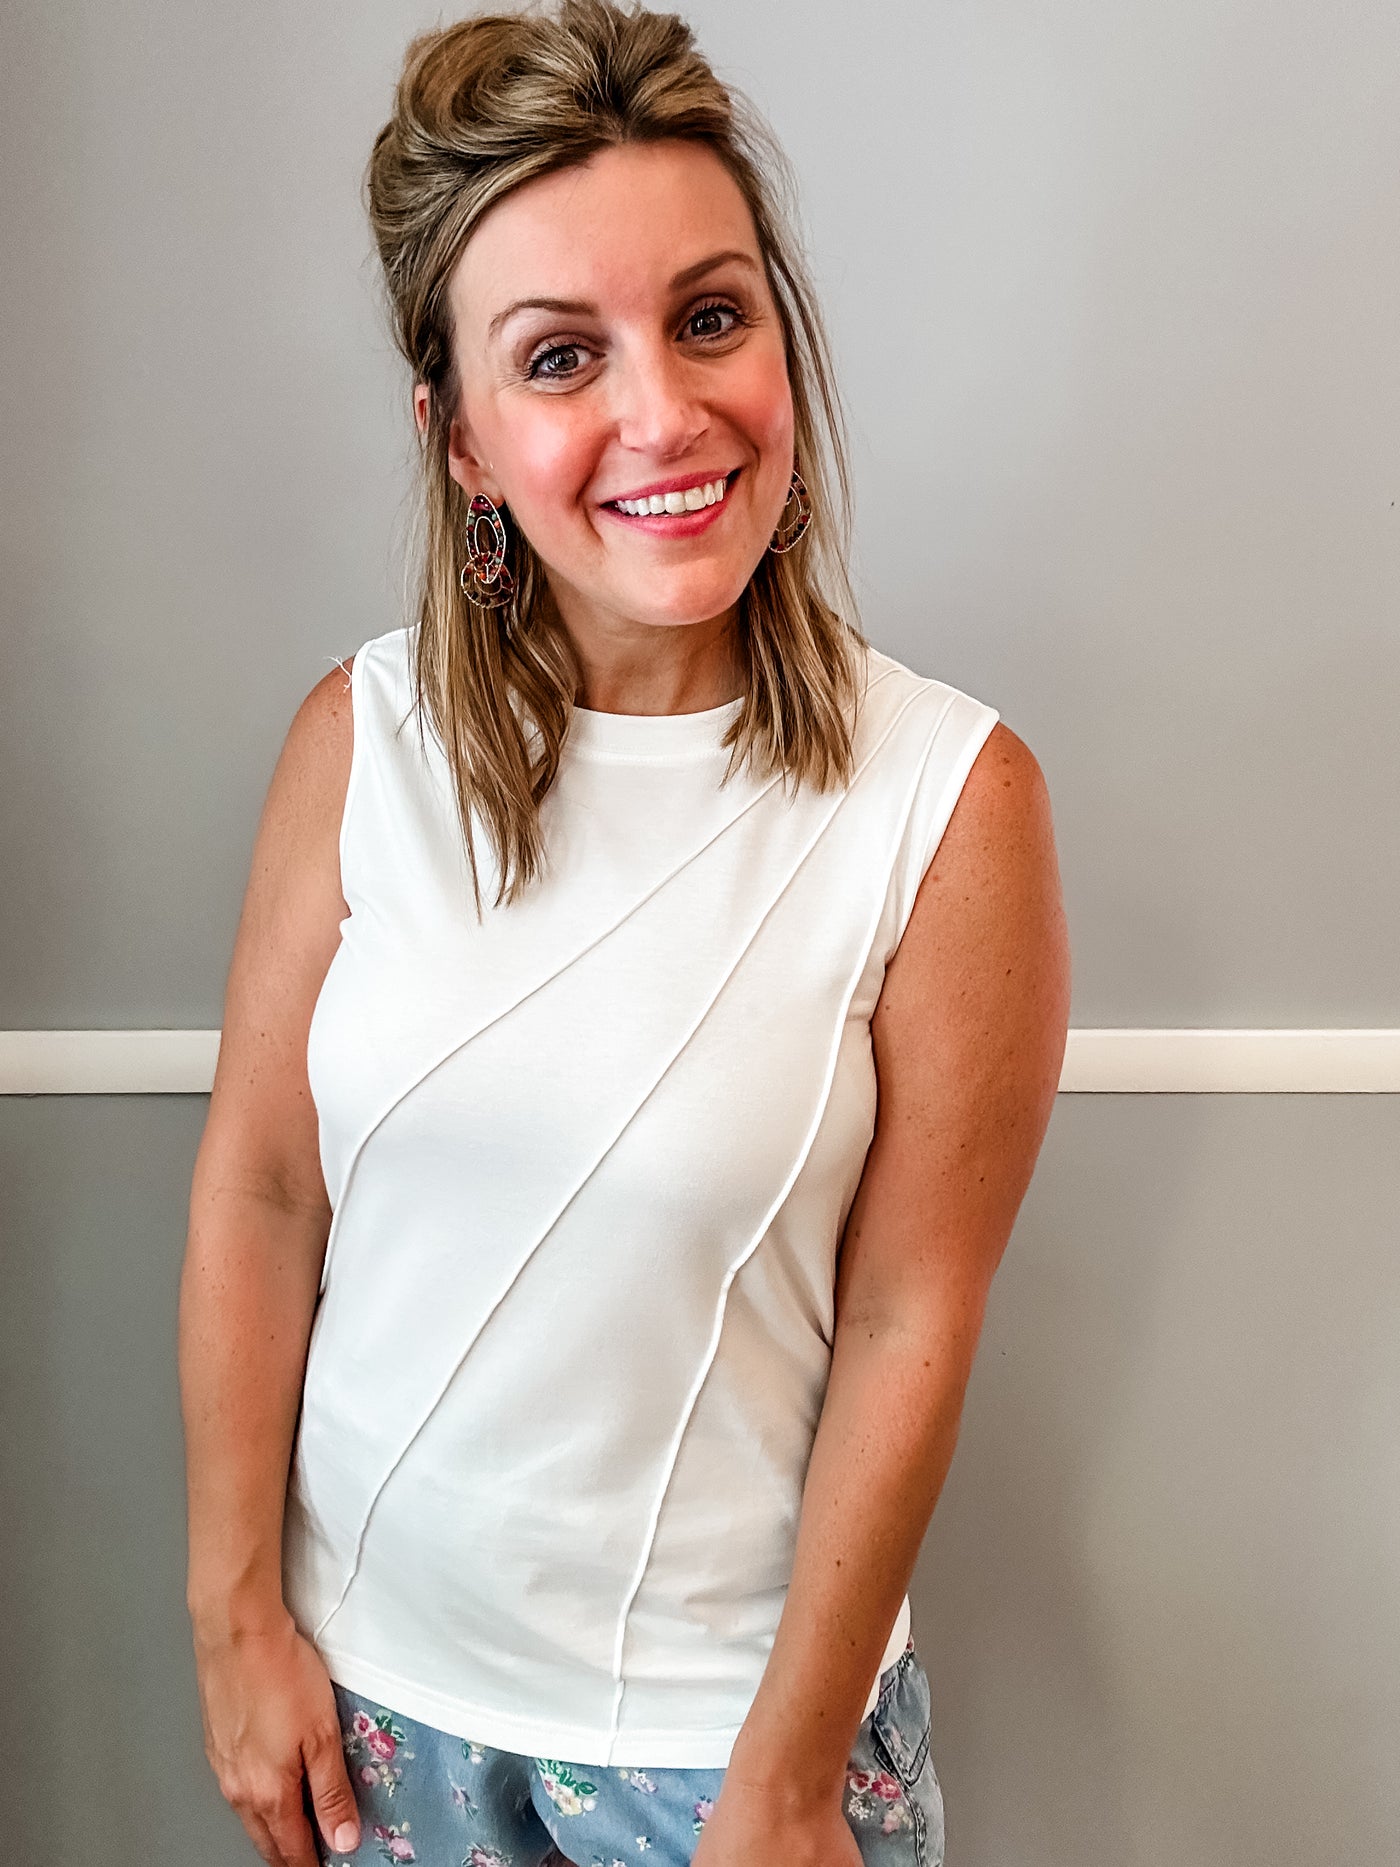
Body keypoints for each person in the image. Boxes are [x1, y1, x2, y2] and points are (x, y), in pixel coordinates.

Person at [178, 3, 1071, 1865]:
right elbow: (264, 1192)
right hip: (366, 1715)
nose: (663, 413)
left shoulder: (949, 801)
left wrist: (783, 1778)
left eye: (712, 316)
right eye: (561, 355)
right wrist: (233, 1613)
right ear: (462, 441)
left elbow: (917, 1315)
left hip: (719, 1757)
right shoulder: (362, 741)